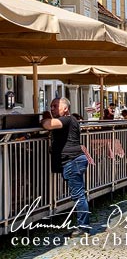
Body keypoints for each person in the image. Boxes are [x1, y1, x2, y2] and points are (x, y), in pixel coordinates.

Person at [41, 98, 91, 234]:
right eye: (51, 106)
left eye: (55, 106)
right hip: (74, 160)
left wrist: (45, 117)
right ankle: (82, 225)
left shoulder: (67, 119)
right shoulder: (70, 120)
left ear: (65, 108)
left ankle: (83, 227)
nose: (52, 109)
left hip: (72, 160)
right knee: (79, 194)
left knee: (78, 195)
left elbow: (48, 124)